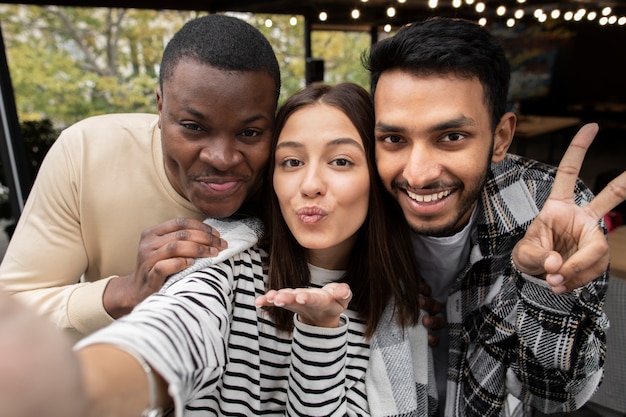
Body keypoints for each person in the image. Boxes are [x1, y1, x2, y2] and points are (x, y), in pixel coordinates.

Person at [70, 82, 437, 416]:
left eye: (340, 161)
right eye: (291, 162)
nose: (310, 185)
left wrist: (320, 330)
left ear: (377, 174)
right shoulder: (222, 260)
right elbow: (173, 328)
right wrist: (82, 386)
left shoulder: (398, 317)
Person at [364, 17, 626, 416]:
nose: (417, 173)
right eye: (394, 139)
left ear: (501, 137)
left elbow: (555, 397)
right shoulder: (352, 204)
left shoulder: (552, 212)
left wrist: (546, 288)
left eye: (451, 137)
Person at [0, 14, 280, 340]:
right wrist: (126, 292)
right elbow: (10, 310)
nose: (222, 158)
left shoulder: (296, 177)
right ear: (160, 107)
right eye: (193, 127)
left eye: (249, 132)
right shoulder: (88, 153)